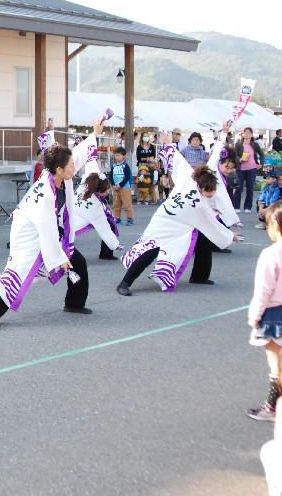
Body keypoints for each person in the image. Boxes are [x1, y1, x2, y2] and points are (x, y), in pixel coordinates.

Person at [0, 119, 105, 328]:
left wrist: (95, 134)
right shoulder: (46, 194)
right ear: (58, 169)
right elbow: (46, 233)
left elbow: (79, 154)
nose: (75, 167)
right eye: (71, 166)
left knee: (78, 263)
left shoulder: (62, 175)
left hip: (49, 230)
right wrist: (58, 258)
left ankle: (74, 303)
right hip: (29, 232)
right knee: (19, 272)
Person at [116, 137, 240, 296]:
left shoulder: (191, 176)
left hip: (180, 224)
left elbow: (178, 159)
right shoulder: (199, 205)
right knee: (150, 250)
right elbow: (212, 225)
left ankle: (200, 276)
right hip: (163, 221)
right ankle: (124, 283)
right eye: (209, 194)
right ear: (201, 188)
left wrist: (168, 144)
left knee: (203, 240)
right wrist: (231, 236)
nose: (211, 197)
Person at [246, 201, 282, 422]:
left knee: (276, 364)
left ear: (275, 226)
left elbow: (264, 290)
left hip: (274, 315)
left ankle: (272, 406)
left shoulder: (271, 254)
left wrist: (254, 315)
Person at [72, 152, 121, 261]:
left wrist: (91, 155)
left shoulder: (88, 181)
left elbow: (91, 165)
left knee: (110, 223)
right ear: (98, 191)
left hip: (73, 213)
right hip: (77, 218)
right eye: (106, 190)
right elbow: (103, 228)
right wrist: (115, 244)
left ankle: (107, 252)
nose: (109, 191)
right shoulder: (95, 208)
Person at [235, 127, 264, 213]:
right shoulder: (238, 144)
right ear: (243, 134)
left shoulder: (255, 144)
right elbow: (235, 155)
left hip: (252, 169)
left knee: (250, 188)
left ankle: (248, 207)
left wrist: (261, 164)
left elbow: (262, 154)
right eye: (245, 133)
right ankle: (236, 207)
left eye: (249, 133)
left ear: (251, 135)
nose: (247, 134)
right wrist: (240, 159)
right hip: (240, 169)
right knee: (238, 188)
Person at [111, 147, 134, 226]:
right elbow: (111, 176)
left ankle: (130, 218)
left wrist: (120, 185)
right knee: (116, 204)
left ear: (123, 156)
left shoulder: (125, 166)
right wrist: (114, 184)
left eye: (118, 155)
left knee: (127, 204)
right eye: (115, 155)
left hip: (125, 187)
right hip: (115, 188)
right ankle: (117, 218)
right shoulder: (113, 166)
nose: (116, 157)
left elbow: (127, 177)